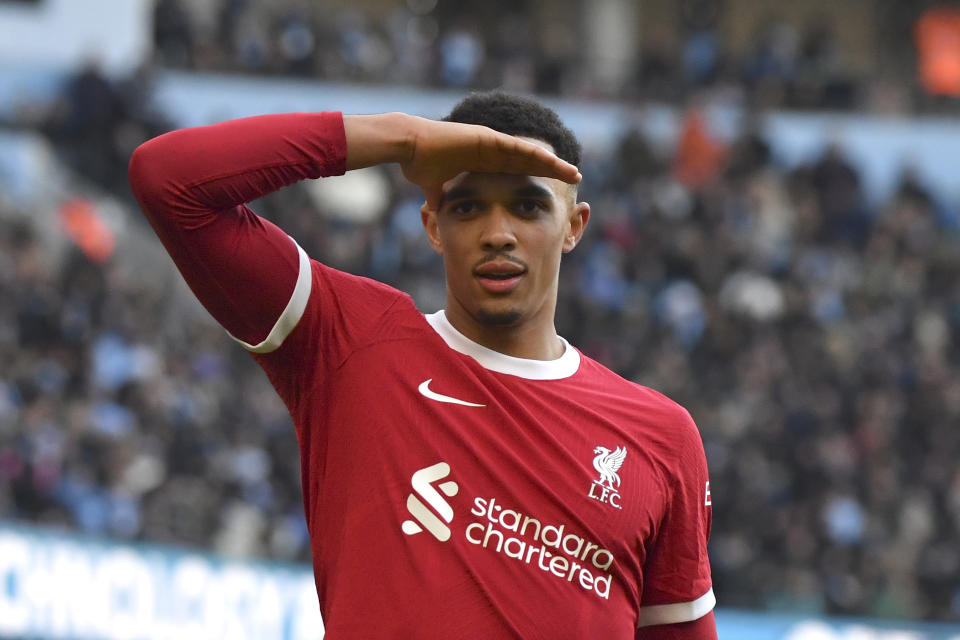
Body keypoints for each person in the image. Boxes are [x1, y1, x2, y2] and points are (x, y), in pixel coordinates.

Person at [128, 91, 716, 639]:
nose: (498, 234)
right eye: (466, 207)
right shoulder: (350, 341)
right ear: (433, 226)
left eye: (529, 206)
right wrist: (400, 139)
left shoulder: (661, 437)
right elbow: (169, 180)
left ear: (573, 226)